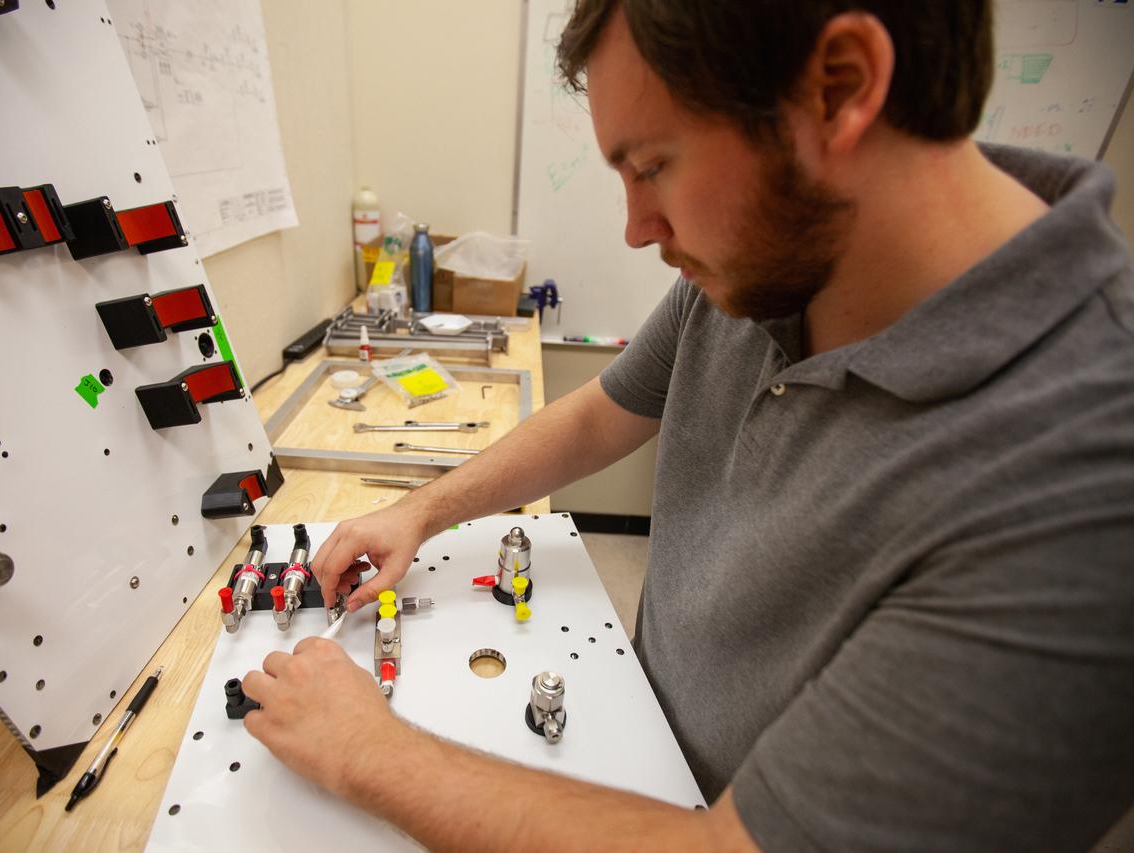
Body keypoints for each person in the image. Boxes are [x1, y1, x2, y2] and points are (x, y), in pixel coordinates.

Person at [241, 1, 1134, 848]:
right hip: (633, 740)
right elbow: (601, 413)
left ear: (842, 87)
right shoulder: (767, 265)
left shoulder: (1087, 483)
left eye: (653, 165)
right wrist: (422, 512)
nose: (636, 228)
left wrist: (371, 751)